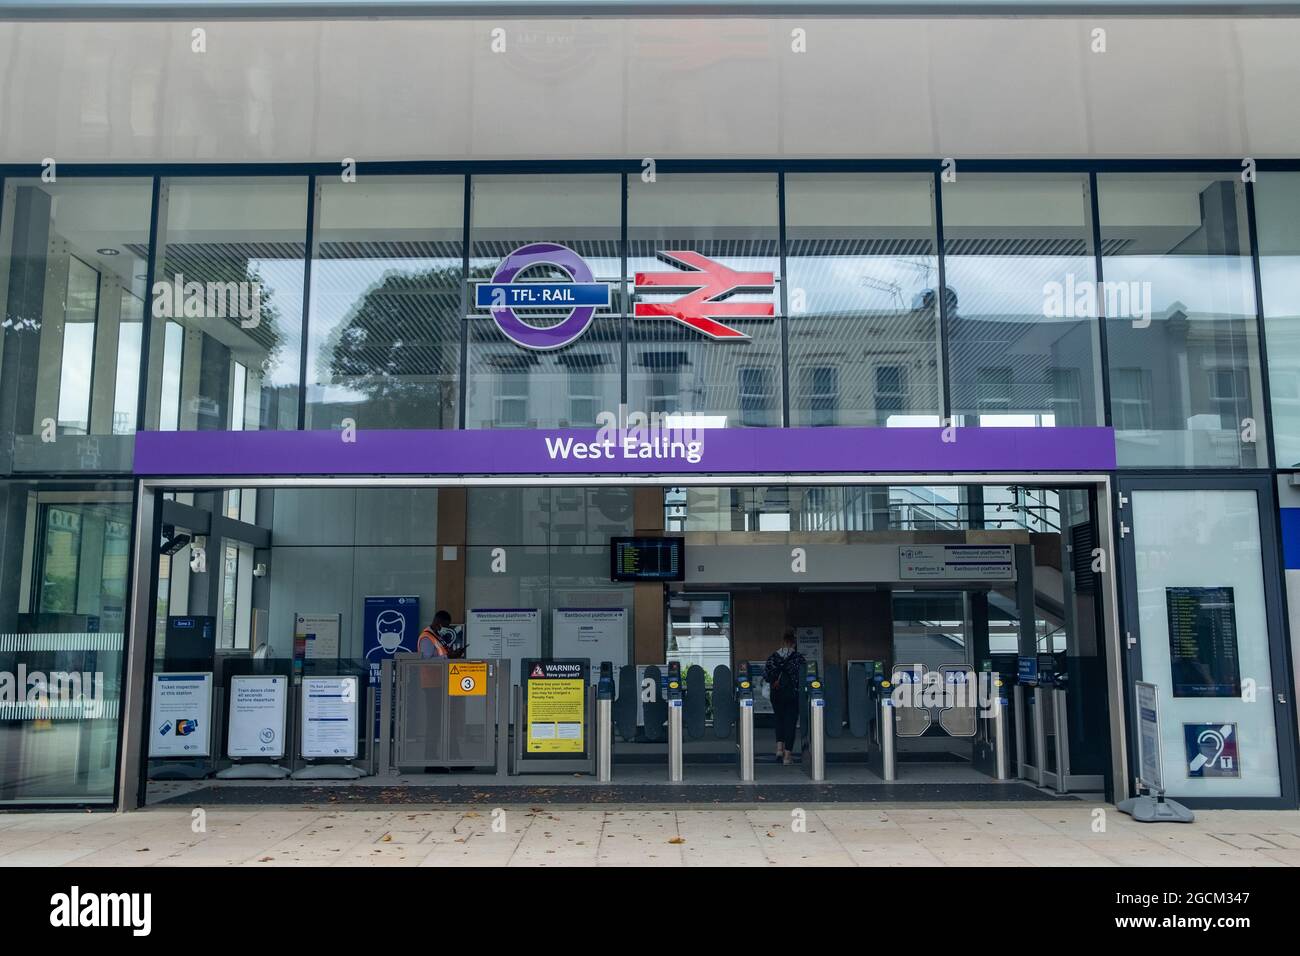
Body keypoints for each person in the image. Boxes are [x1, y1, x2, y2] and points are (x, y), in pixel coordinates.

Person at [764, 627, 806, 765]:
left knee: (779, 720)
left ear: (783, 641)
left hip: (776, 694)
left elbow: (767, 676)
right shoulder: (798, 659)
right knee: (790, 723)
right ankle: (787, 756)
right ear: (794, 643)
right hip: (792, 695)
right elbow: (803, 677)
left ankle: (779, 750)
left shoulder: (773, 658)